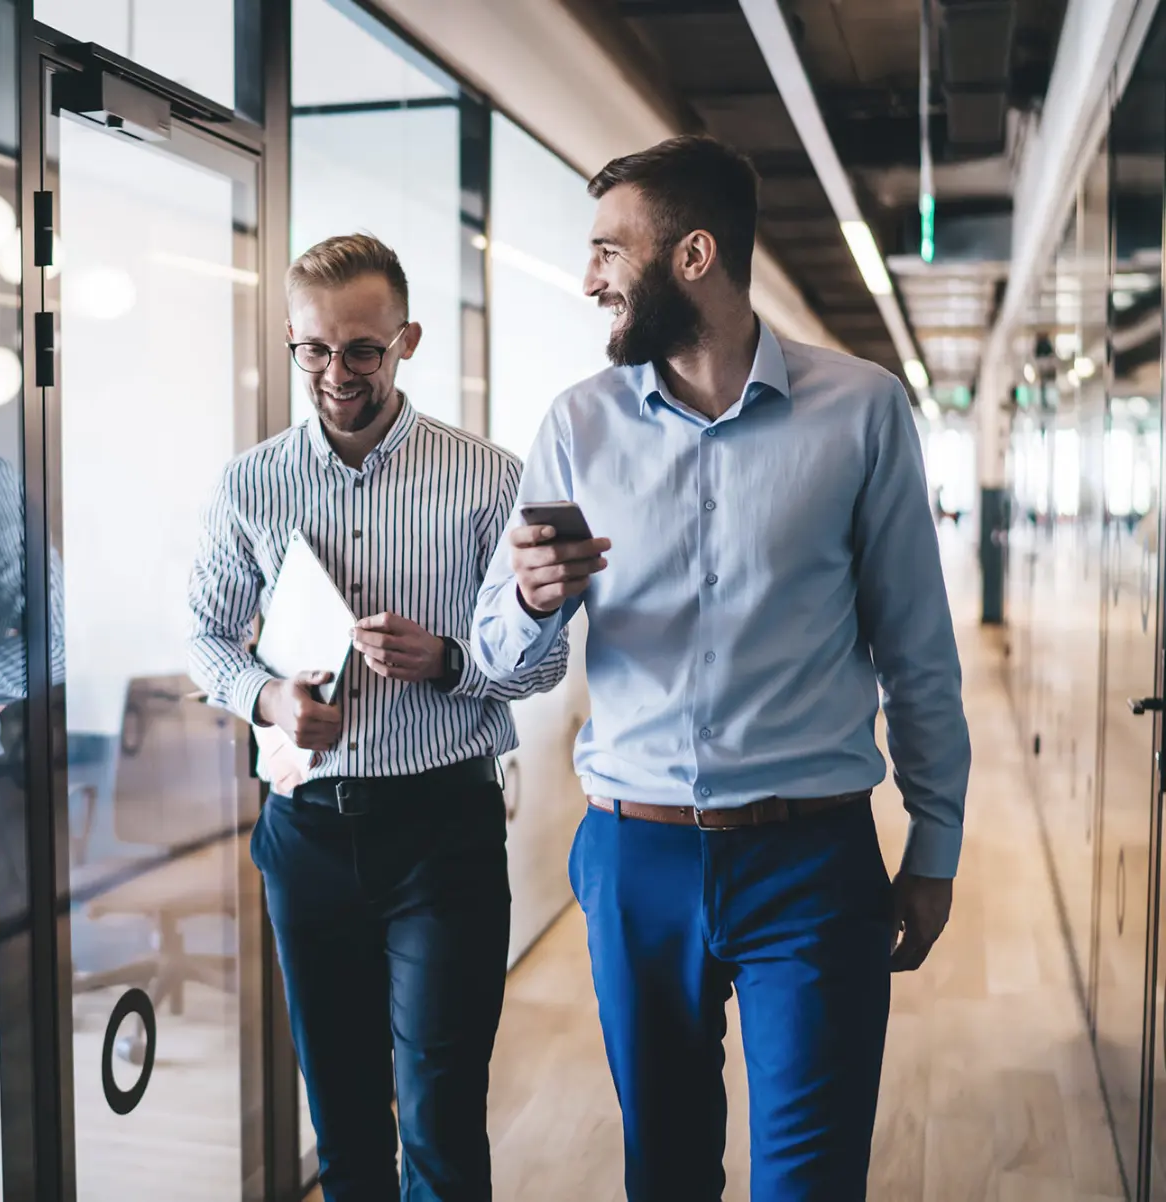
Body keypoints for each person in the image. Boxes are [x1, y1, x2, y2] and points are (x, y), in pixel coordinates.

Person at [471, 136, 971, 1202]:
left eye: (611, 248)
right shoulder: (578, 424)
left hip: (812, 861)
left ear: (694, 254)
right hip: (634, 855)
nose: (592, 276)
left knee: (811, 1177)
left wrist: (934, 846)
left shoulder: (863, 409)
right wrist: (529, 596)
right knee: (668, 1168)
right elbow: (502, 660)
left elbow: (917, 649)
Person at [187, 233, 569, 1202]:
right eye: (314, 349)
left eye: (363, 349)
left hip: (444, 831)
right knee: (345, 1113)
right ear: (290, 338)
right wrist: (268, 697)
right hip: (306, 831)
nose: (336, 373)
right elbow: (207, 637)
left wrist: (446, 660)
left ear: (407, 340)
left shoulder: (488, 477)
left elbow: (546, 658)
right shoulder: (250, 483)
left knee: (439, 1105)